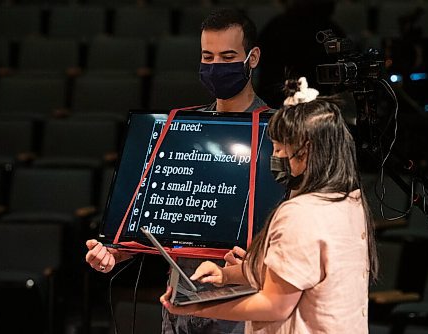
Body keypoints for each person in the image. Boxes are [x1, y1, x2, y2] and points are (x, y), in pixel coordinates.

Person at [85, 8, 268, 334]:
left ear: (252, 58)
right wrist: (116, 252)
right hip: (181, 311)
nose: (215, 67)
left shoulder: (279, 133)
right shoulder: (182, 128)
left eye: (227, 56)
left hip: (248, 311)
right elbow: (162, 216)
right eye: (207, 57)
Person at [159, 80, 379, 333]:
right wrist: (228, 275)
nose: (277, 158)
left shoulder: (300, 213)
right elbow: (297, 276)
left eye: (278, 148)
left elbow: (274, 305)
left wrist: (196, 306)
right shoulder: (351, 202)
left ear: (305, 151)